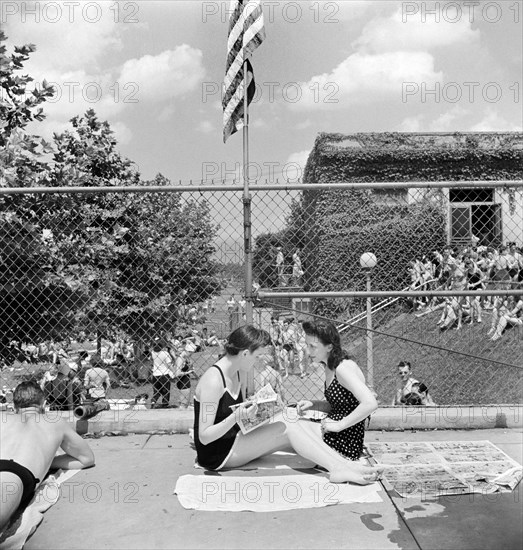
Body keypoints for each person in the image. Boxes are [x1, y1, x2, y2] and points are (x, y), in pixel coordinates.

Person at [193, 325, 382, 484]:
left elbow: (231, 415)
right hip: (218, 454)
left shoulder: (237, 373)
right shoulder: (214, 381)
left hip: (233, 437)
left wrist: (255, 409)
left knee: (288, 416)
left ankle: (343, 465)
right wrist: (237, 417)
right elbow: (204, 437)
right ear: (244, 353)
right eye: (257, 356)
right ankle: (337, 469)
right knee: (288, 427)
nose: (259, 361)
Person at [0, 381, 94, 531]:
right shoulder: (54, 422)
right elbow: (87, 459)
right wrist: (49, 462)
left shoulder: (2, 418)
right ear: (43, 404)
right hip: (17, 474)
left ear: (13, 406)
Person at [298, 320, 378, 461]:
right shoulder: (330, 366)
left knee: (291, 430)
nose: (308, 351)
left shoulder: (343, 368)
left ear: (329, 347)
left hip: (345, 439)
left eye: (313, 346)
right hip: (334, 430)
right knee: (291, 426)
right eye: (307, 345)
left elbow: (370, 403)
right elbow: (341, 405)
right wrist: (313, 404)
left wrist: (340, 425)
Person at [150, 340, 175, 409]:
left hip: (155, 374)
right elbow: (169, 364)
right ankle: (165, 404)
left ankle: (153, 401)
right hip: (164, 374)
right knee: (166, 390)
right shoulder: (165, 353)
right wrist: (174, 371)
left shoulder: (153, 353)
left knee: (156, 390)